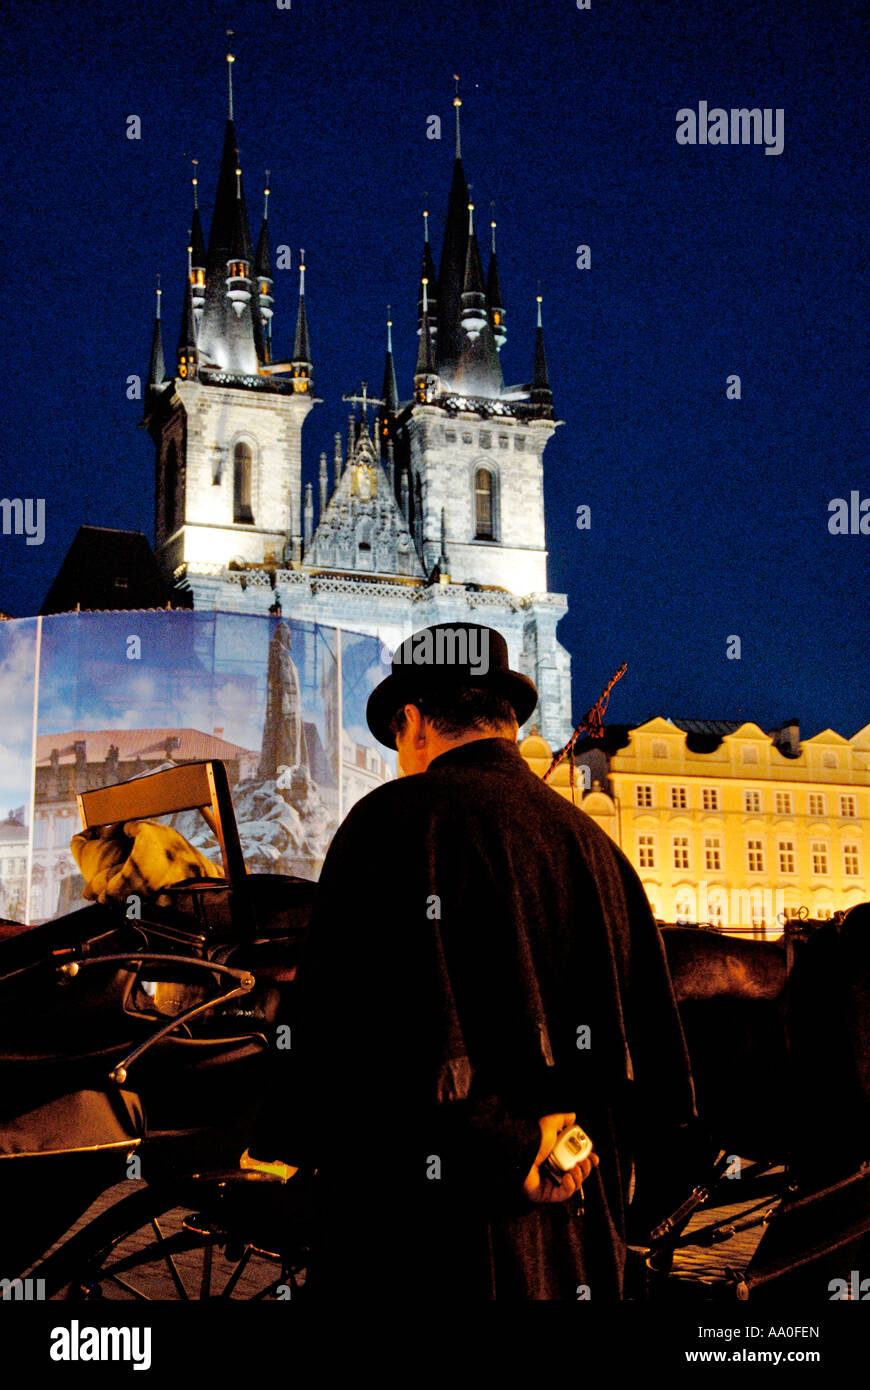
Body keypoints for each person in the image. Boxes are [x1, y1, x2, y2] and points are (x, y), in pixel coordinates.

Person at [249, 622, 695, 1301]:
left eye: (397, 737)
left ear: (415, 722)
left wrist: (275, 1137)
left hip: (424, 1244)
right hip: (578, 1239)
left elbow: (346, 1037)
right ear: (509, 721)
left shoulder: (392, 822)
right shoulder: (597, 849)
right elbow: (660, 1076)